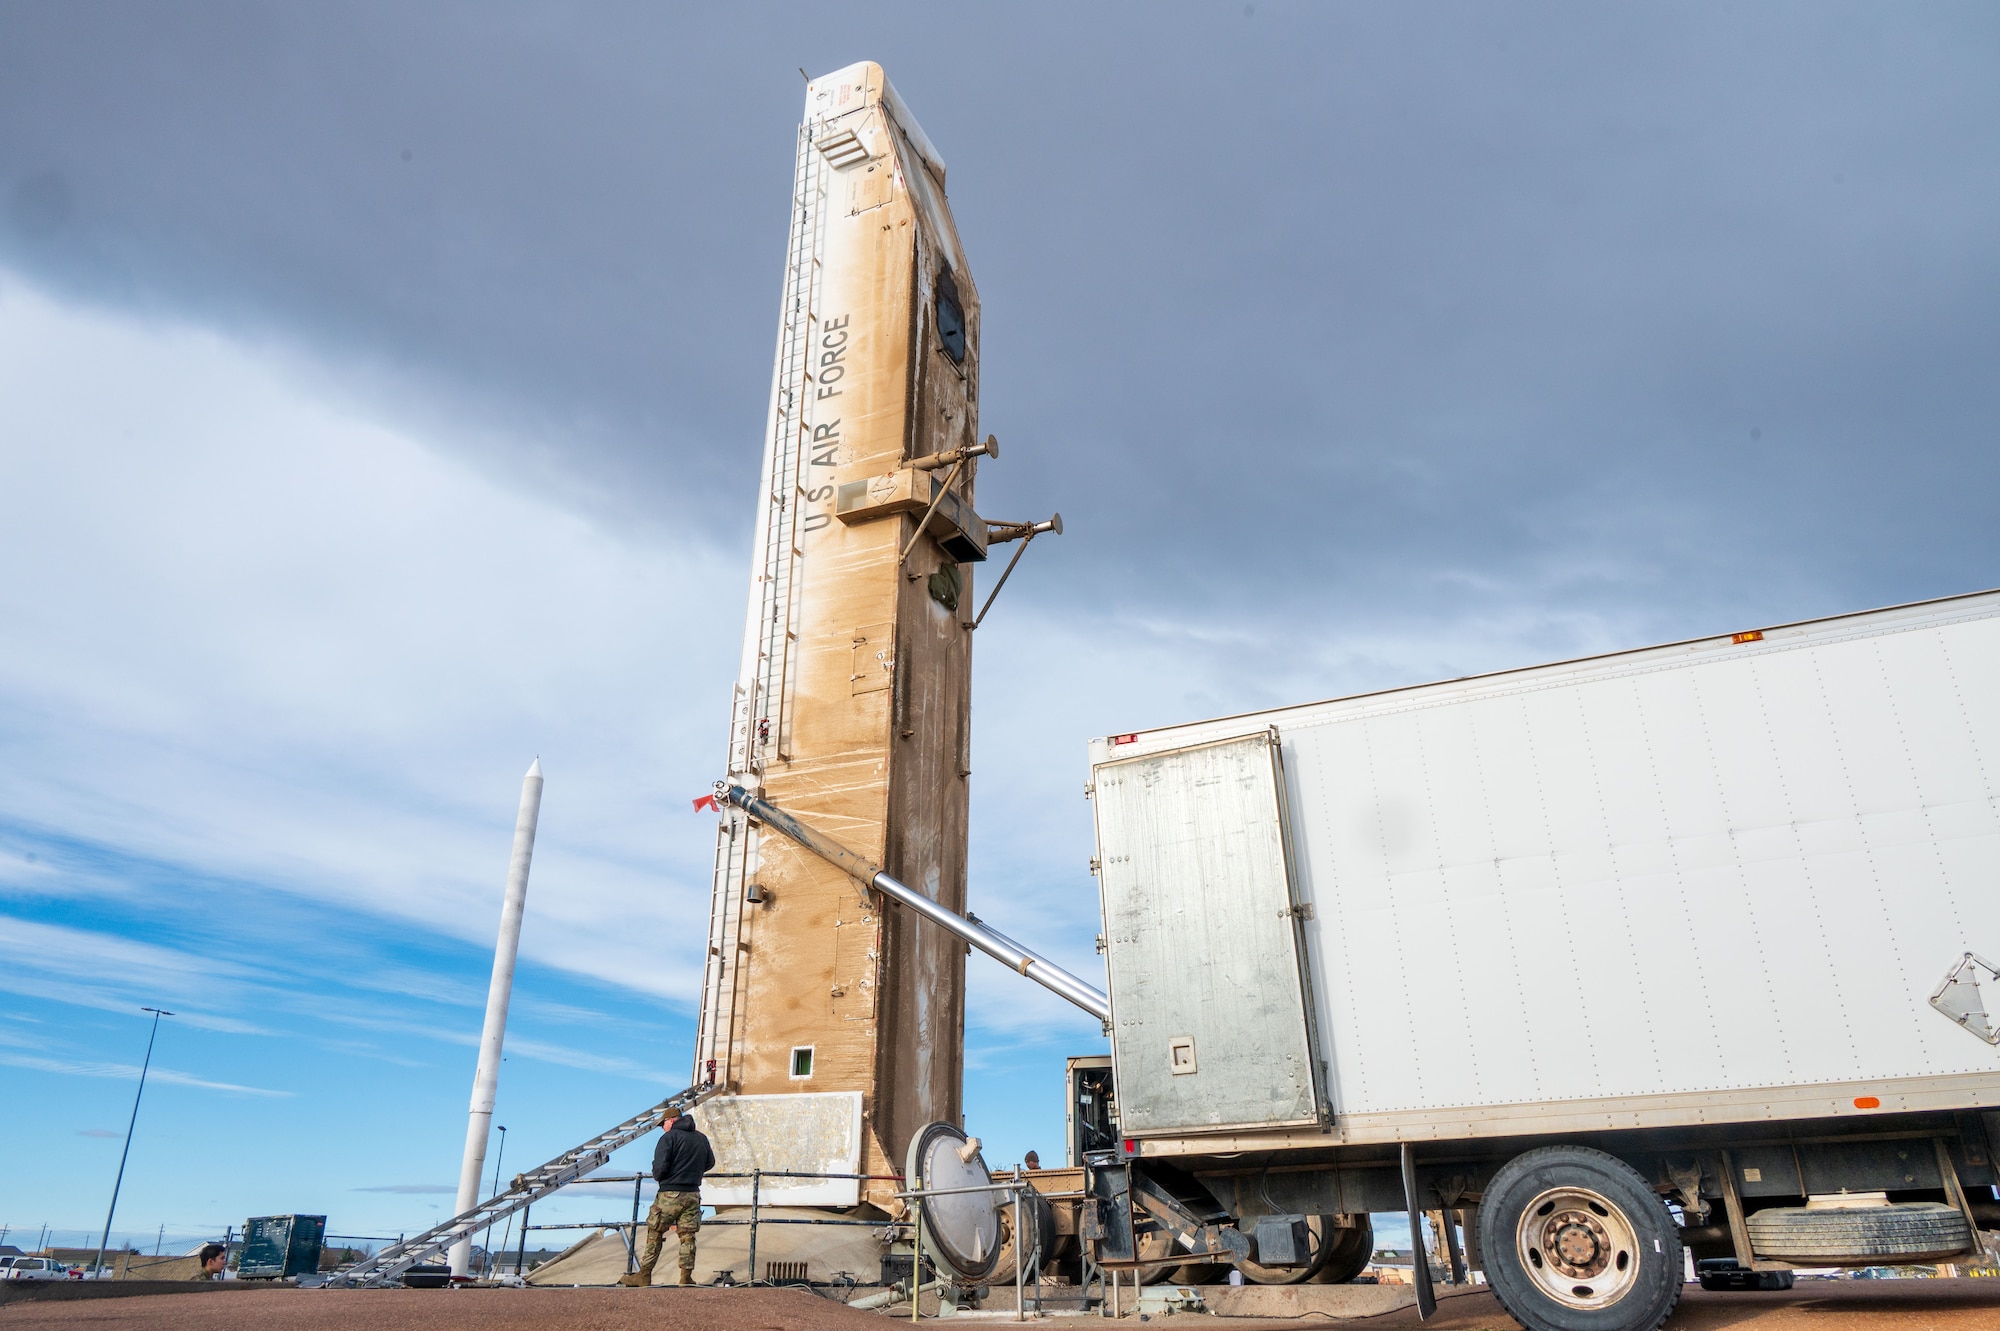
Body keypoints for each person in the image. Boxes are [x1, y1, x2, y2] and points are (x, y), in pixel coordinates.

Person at [620, 1107, 714, 1287]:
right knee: (688, 1235)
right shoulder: (701, 1138)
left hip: (670, 1193)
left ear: (671, 1120)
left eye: (662, 1124)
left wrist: (664, 1175)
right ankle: (685, 1278)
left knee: (655, 1232)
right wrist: (692, 1172)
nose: (662, 1128)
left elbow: (660, 1169)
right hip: (693, 1194)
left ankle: (644, 1275)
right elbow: (710, 1162)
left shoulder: (669, 1138)